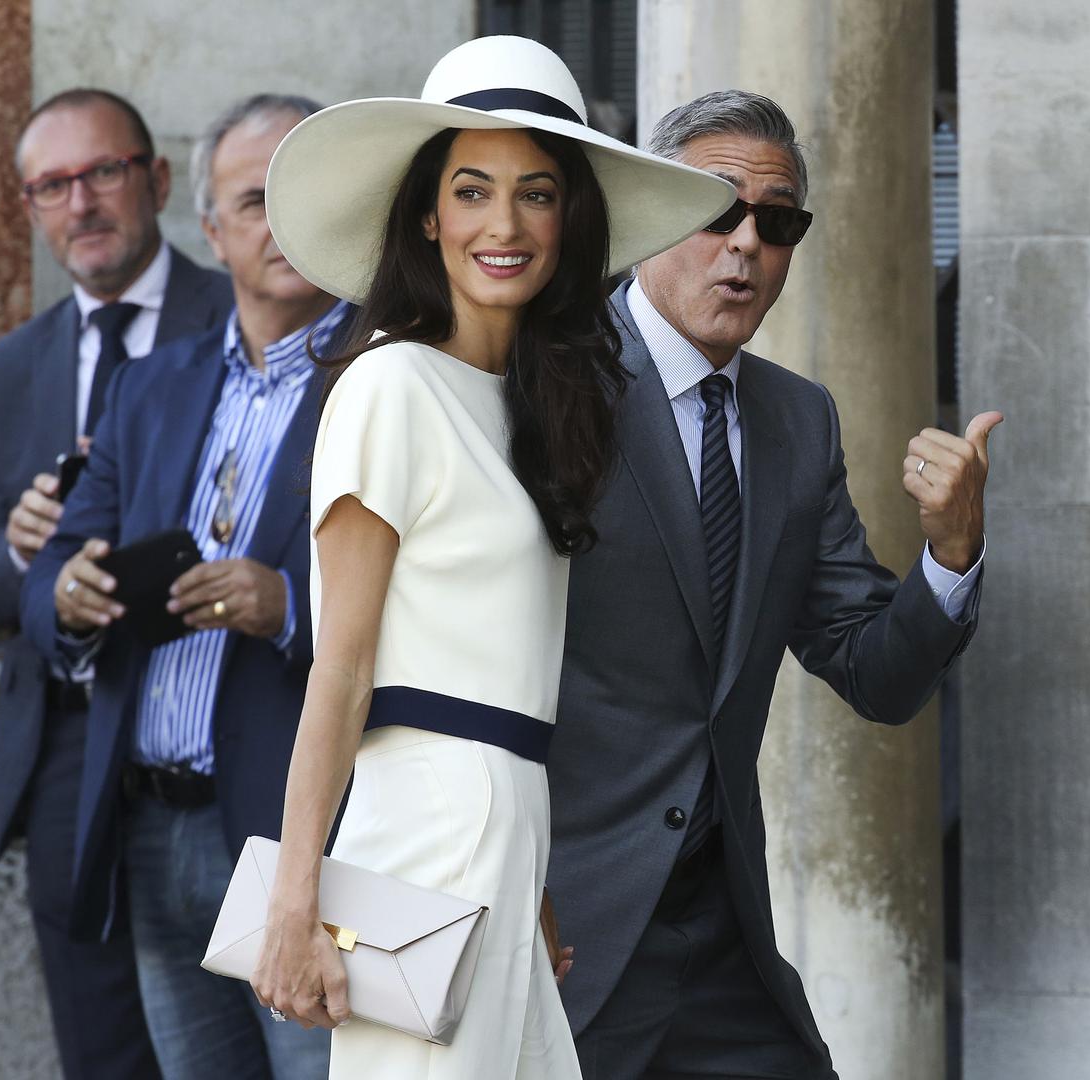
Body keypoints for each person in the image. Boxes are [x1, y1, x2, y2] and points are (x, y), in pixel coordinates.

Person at [246, 36, 733, 1079]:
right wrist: (296, 898)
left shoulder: (531, 408)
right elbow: (343, 668)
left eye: (536, 194)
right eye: (472, 191)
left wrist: (534, 875)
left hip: (510, 835)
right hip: (424, 838)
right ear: (428, 214)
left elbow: (501, 667)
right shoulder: (391, 384)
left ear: (570, 219)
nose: (504, 225)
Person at [544, 90, 1002, 1079]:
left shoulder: (798, 419)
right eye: (717, 210)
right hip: (563, 928)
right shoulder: (544, 380)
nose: (746, 245)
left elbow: (876, 673)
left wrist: (951, 554)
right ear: (646, 211)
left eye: (777, 223)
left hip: (724, 939)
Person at [19, 94, 348, 1080]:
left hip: (301, 840)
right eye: (254, 202)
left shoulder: (390, 378)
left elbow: (446, 605)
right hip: (151, 829)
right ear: (210, 230)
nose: (282, 224)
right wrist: (69, 596)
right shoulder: (151, 386)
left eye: (305, 196)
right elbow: (50, 571)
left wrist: (287, 607)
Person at [0, 86, 232, 1080]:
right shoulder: (14, 365)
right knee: (100, 1051)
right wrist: (22, 548)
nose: (81, 203)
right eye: (53, 185)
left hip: (212, 735)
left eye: (103, 173)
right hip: (70, 747)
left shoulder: (238, 311)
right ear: (29, 205)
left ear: (155, 180)